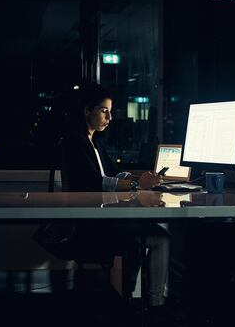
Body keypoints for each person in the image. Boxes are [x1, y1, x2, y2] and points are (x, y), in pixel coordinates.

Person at [60, 83, 170, 309]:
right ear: (87, 111)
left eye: (111, 111)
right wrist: (137, 184)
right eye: (104, 110)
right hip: (91, 225)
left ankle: (127, 302)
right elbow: (96, 181)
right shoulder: (75, 142)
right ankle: (155, 306)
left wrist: (137, 176)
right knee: (161, 238)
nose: (110, 117)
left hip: (100, 217)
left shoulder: (94, 142)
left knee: (144, 229)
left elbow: (110, 174)